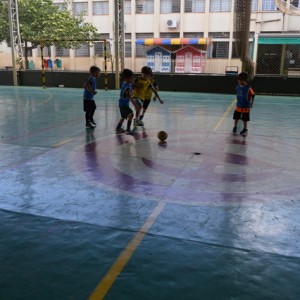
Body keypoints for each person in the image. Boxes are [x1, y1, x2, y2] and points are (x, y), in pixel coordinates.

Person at [115, 68, 135, 135]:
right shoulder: (127, 86)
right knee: (131, 114)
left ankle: (118, 128)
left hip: (122, 103)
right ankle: (128, 130)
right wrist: (135, 104)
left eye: (132, 78)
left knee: (123, 117)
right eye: (131, 78)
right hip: (124, 104)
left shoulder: (126, 83)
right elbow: (129, 95)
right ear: (126, 78)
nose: (132, 79)